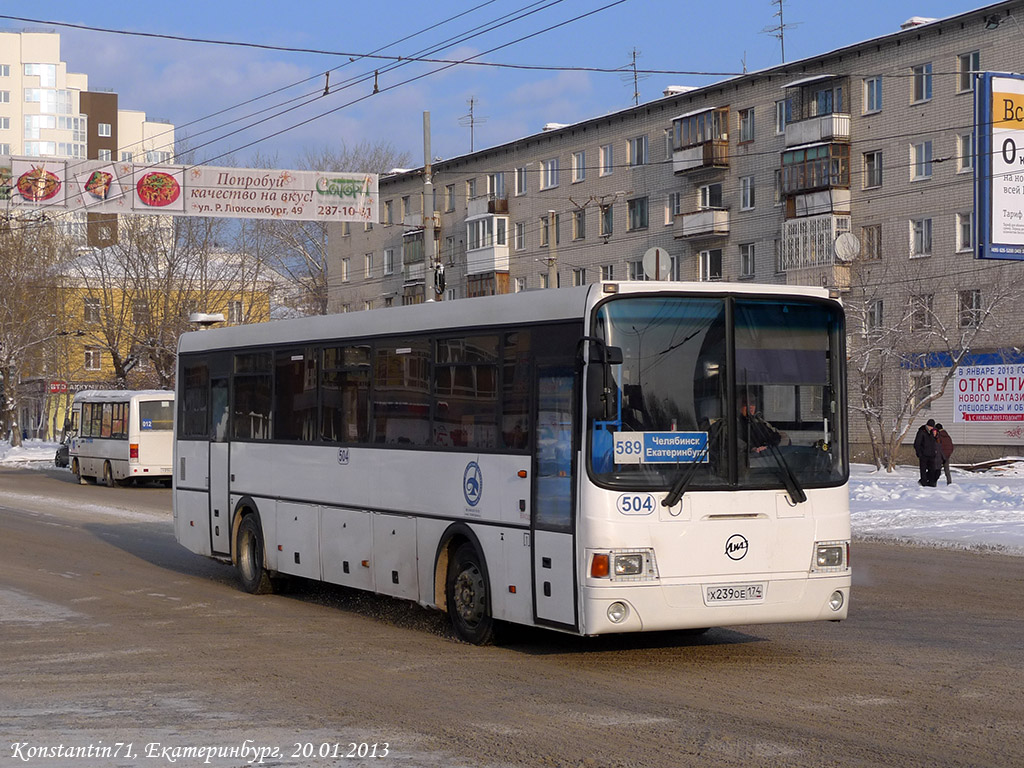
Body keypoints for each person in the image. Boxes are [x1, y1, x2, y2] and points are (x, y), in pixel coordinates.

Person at [913, 418, 937, 486]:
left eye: (932, 427)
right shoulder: (922, 432)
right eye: (930, 426)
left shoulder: (933, 432)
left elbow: (934, 442)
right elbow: (917, 443)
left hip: (932, 455)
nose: (931, 428)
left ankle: (931, 483)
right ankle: (923, 483)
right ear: (927, 425)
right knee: (923, 470)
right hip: (923, 454)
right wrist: (919, 453)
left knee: (932, 470)